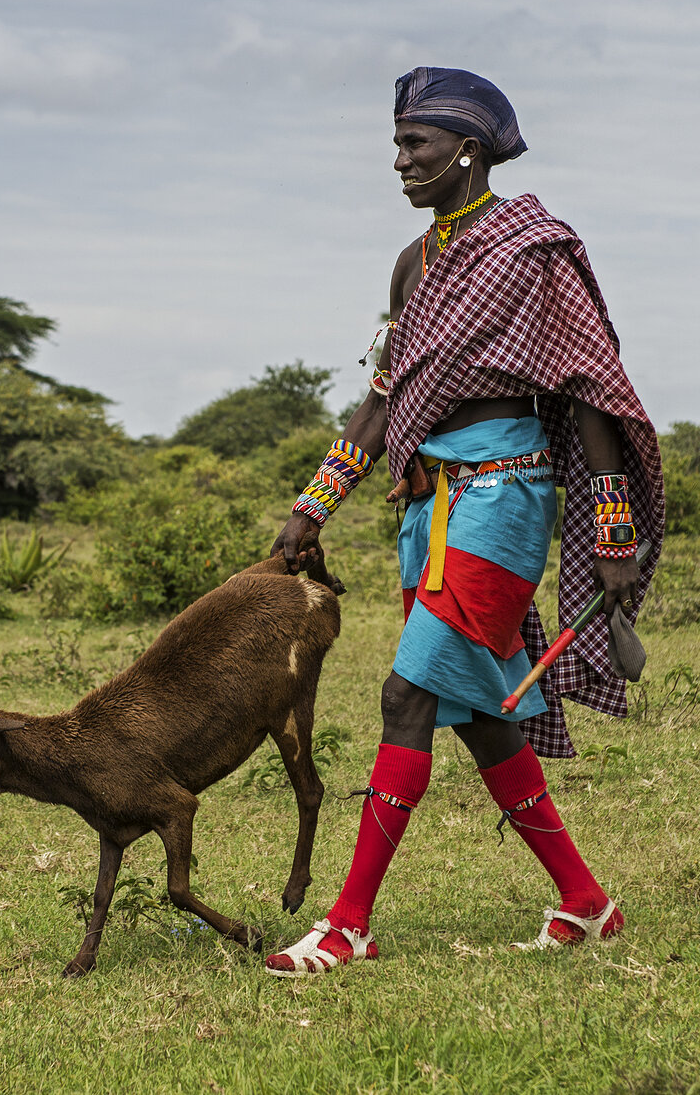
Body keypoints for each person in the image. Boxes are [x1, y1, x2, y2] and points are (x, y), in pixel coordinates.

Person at [262, 66, 665, 977]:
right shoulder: (413, 265)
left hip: (504, 496)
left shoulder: (533, 249)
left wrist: (610, 536)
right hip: (428, 503)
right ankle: (587, 901)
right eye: (398, 144)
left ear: (468, 151)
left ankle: (347, 924)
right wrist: (310, 508)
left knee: (406, 694)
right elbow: (381, 396)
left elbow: (589, 391)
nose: (399, 161)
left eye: (417, 145)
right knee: (480, 712)